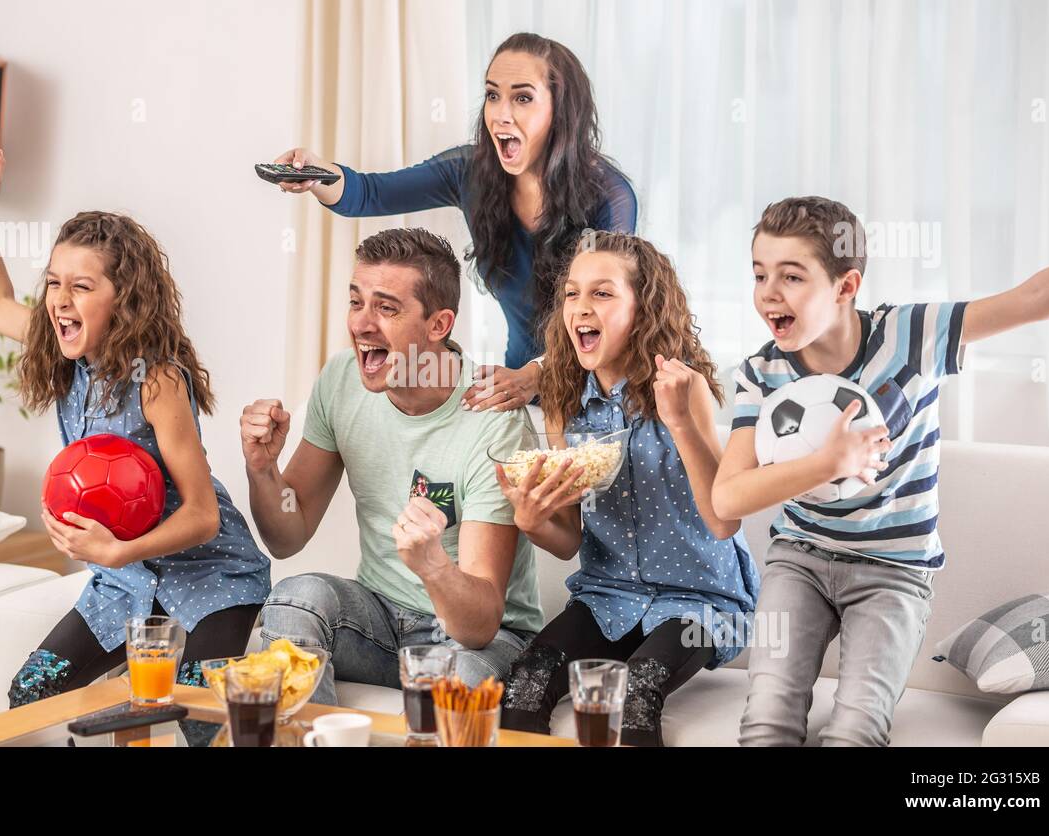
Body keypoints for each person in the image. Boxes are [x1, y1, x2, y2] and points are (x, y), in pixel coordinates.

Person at [714, 196, 1049, 746]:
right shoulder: (761, 373)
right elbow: (728, 499)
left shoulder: (911, 335)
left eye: (792, 276)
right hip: (800, 560)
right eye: (759, 274)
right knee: (766, 721)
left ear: (846, 287)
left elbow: (1031, 299)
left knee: (855, 731)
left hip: (893, 571)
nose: (769, 292)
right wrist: (827, 463)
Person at [0, 150, 271, 708]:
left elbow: (202, 516)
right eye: (54, 283)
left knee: (198, 714)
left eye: (81, 286)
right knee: (32, 691)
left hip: (211, 579)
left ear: (123, 299)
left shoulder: (159, 381)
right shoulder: (63, 353)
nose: (60, 301)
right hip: (123, 585)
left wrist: (116, 552)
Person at [240, 227, 543, 704]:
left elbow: (480, 623)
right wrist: (262, 469)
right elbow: (287, 534)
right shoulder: (341, 379)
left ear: (439, 324)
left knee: (456, 677)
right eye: (356, 302)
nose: (361, 325)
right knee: (294, 598)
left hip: (478, 637)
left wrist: (434, 567)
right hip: (379, 617)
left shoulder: (492, 418)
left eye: (386, 308)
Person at [269, 32, 636, 414]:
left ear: (561, 111)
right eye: (493, 95)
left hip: (599, 391)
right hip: (519, 393)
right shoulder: (470, 172)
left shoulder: (609, 197)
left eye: (523, 98)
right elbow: (369, 193)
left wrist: (536, 374)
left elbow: (607, 313)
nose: (501, 114)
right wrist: (317, 174)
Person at [495, 231, 759, 746]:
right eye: (572, 293)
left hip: (698, 600)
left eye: (602, 293)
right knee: (525, 684)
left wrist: (680, 422)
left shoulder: (687, 390)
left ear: (644, 308)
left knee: (637, 690)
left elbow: (723, 519)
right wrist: (530, 520)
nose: (580, 308)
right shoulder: (563, 399)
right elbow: (569, 539)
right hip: (605, 596)